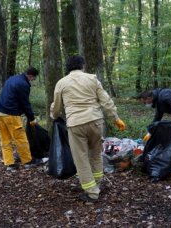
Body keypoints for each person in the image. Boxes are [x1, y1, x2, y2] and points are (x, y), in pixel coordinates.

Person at [51, 55, 126, 203]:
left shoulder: (61, 83)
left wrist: (53, 115)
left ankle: (92, 193)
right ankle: (97, 184)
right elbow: (106, 100)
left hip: (76, 124)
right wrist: (115, 117)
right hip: (96, 122)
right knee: (96, 154)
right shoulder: (92, 79)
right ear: (82, 66)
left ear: (68, 67)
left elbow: (57, 107)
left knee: (81, 159)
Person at [0, 67, 42, 171]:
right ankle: (28, 162)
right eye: (33, 78)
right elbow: (25, 103)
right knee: (21, 139)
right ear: (31, 75)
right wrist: (32, 118)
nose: (32, 80)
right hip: (10, 115)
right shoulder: (23, 84)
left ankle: (9, 164)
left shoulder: (12, 78)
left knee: (5, 140)